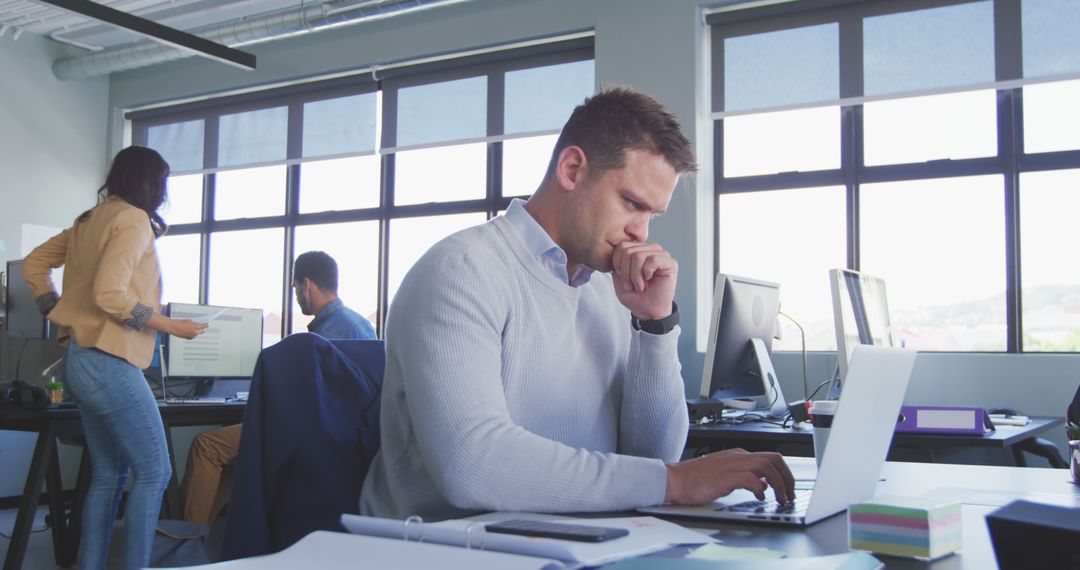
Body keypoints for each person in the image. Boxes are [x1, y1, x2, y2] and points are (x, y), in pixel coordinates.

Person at [359, 87, 795, 521]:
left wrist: (654, 325)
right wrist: (676, 482)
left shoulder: (610, 289)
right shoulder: (461, 271)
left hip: (570, 540)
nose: (640, 233)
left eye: (651, 215)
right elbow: (472, 465)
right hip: (449, 549)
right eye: (631, 203)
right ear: (572, 169)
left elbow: (651, 456)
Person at [23, 146, 208, 570]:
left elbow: (34, 264)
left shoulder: (89, 220)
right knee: (156, 472)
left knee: (109, 476)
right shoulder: (132, 219)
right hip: (108, 361)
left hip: (79, 361)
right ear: (151, 183)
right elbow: (110, 294)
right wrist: (168, 324)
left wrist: (53, 308)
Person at [179, 250, 376, 526]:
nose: (295, 294)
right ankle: (208, 532)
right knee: (235, 452)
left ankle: (185, 539)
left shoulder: (325, 334)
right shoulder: (360, 324)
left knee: (207, 446)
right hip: (350, 436)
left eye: (295, 287)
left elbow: (302, 397)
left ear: (306, 284)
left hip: (310, 431)